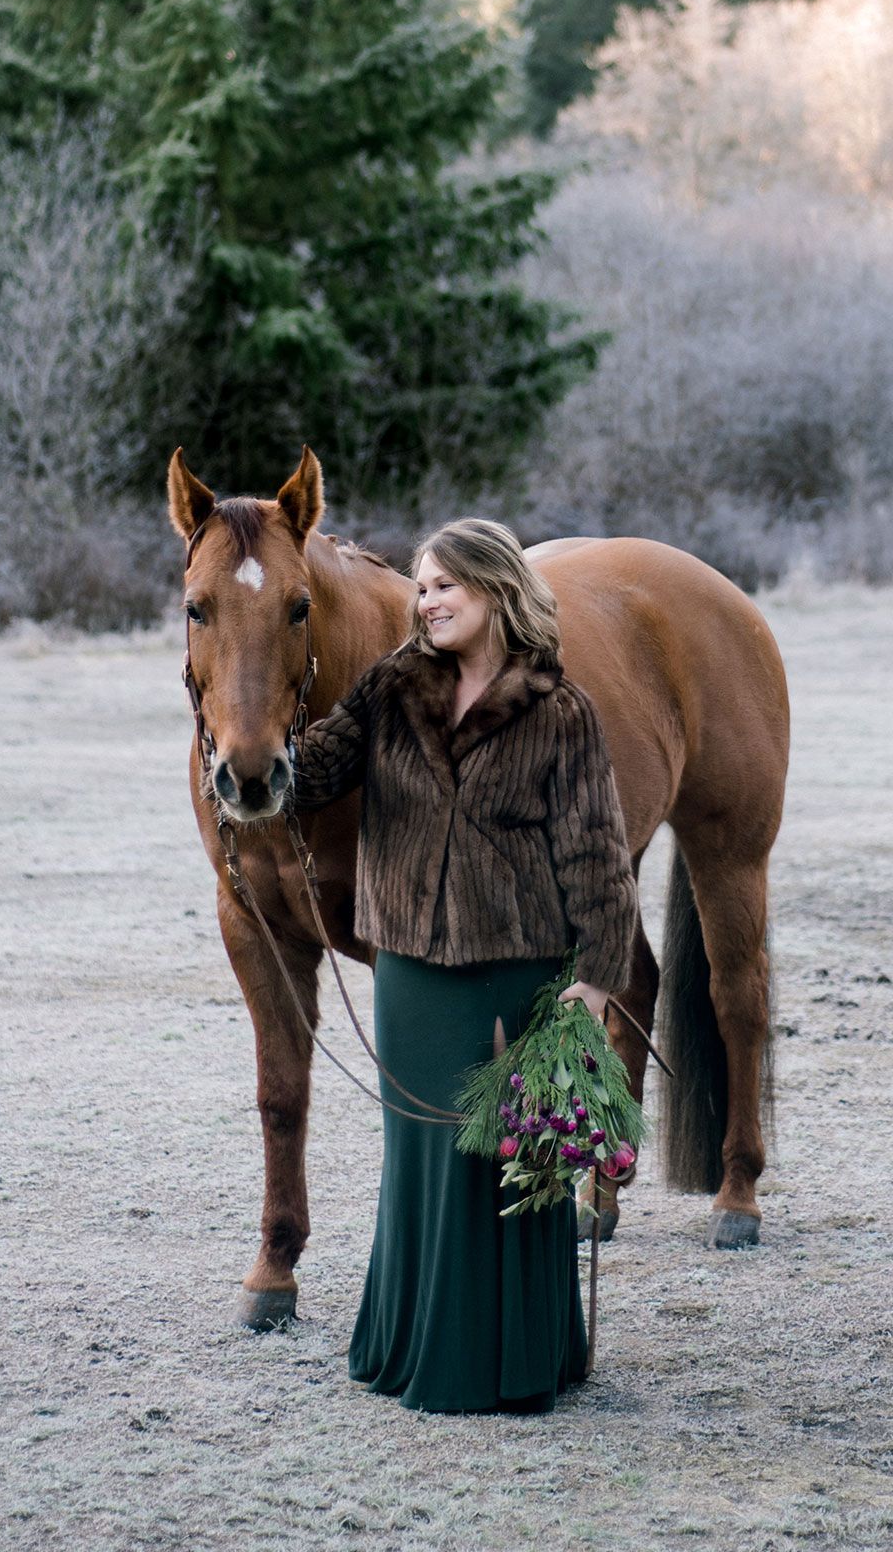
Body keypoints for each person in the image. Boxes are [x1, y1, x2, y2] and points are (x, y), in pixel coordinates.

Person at [292, 516, 640, 1416]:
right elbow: (318, 771)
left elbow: (600, 858)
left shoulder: (560, 712)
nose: (428, 601)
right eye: (421, 585)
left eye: (446, 585)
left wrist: (596, 980)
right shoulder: (391, 688)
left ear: (497, 592)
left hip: (514, 970)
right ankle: (410, 1346)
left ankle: (513, 1361)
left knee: (499, 1160)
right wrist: (248, 754)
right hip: (408, 965)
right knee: (421, 1155)